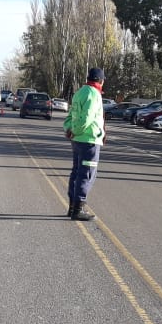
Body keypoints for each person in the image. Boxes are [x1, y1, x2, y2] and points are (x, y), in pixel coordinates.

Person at [63, 67, 107, 220]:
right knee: (86, 174)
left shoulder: (79, 92)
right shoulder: (94, 94)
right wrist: (76, 130)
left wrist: (69, 129)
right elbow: (87, 118)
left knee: (76, 172)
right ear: (100, 81)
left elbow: (70, 115)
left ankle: (72, 207)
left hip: (77, 140)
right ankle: (78, 209)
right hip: (89, 140)